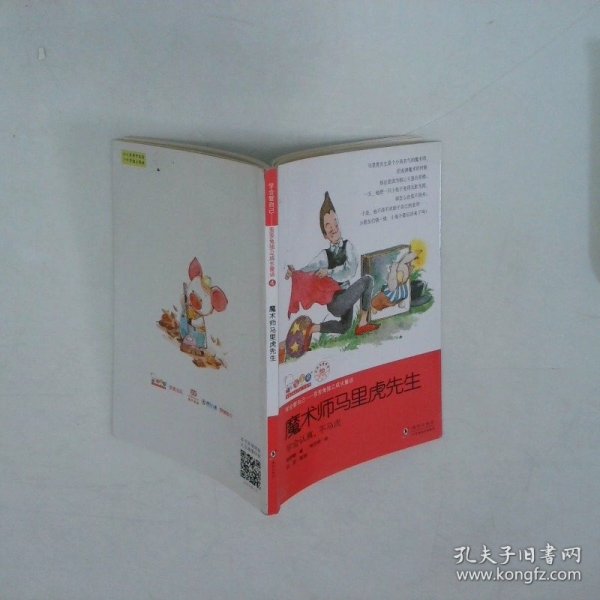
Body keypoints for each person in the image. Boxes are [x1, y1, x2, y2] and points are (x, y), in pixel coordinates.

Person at [286, 192, 379, 342]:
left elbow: (350, 270)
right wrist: (295, 273)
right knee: (368, 280)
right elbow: (309, 268)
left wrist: (328, 272)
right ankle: (363, 323)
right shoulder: (324, 255)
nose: (333, 228)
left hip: (345, 295)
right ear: (325, 234)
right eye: (328, 226)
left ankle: (312, 329)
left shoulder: (348, 246)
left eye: (335, 223)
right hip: (335, 301)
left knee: (344, 327)